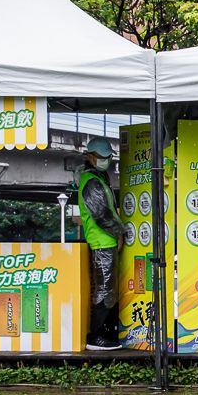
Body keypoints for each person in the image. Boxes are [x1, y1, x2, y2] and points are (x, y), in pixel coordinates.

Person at [76, 138, 124, 349]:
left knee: (108, 289)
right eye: (101, 157)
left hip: (105, 242)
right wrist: (119, 233)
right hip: (102, 242)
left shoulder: (98, 178)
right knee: (104, 289)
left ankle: (105, 333)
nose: (105, 160)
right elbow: (102, 214)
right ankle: (95, 336)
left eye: (108, 157)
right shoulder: (91, 181)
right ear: (90, 157)